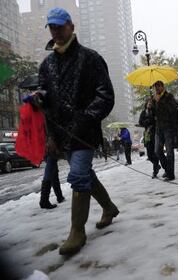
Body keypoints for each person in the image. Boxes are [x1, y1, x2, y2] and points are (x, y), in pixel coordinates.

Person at [37, 7, 119, 255]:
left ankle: (77, 231)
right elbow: (47, 103)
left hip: (84, 131)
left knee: (79, 174)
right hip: (61, 134)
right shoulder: (46, 65)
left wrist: (85, 117)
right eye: (52, 27)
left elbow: (106, 96)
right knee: (84, 175)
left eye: (60, 26)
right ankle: (109, 208)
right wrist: (49, 131)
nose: (56, 31)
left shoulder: (91, 58)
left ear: (71, 26)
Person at [152, 80, 178, 181]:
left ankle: (170, 175)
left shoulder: (169, 97)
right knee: (157, 150)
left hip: (168, 128)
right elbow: (153, 115)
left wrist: (160, 102)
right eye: (155, 86)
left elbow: (172, 111)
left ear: (163, 86)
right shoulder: (154, 98)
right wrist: (151, 107)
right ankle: (167, 169)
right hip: (158, 129)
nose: (157, 88)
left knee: (169, 151)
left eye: (158, 86)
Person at [139, 97, 161, 178]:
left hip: (155, 134)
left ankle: (155, 171)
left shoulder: (155, 112)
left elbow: (156, 121)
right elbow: (141, 122)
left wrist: (151, 120)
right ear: (146, 104)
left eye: (151, 103)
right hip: (147, 134)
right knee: (149, 155)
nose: (149, 104)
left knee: (155, 153)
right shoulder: (143, 113)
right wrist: (149, 120)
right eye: (148, 103)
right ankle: (157, 166)